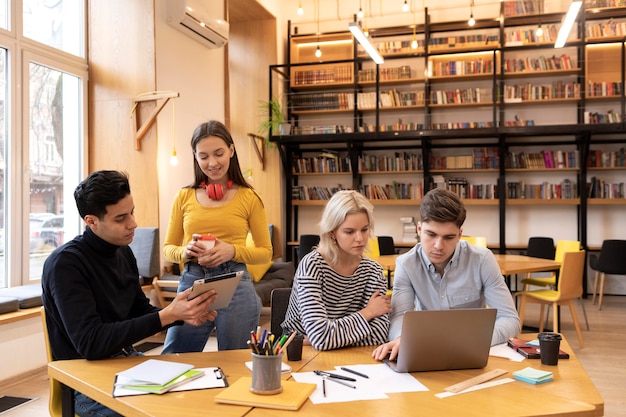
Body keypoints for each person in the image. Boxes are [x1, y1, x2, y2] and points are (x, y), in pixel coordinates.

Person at [42, 170, 218, 417]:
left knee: (195, 401)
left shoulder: (123, 252)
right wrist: (166, 316)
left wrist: (181, 313)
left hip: (126, 364)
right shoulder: (66, 265)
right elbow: (91, 344)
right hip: (83, 382)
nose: (133, 223)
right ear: (91, 221)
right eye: (121, 218)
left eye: (132, 212)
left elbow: (139, 311)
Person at [161, 120, 272, 353]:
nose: (212, 163)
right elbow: (168, 248)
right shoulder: (183, 196)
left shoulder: (250, 197)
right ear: (195, 156)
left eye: (219, 153)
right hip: (193, 281)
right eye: (203, 156)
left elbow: (265, 253)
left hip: (236, 283)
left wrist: (232, 250)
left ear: (231, 150)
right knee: (174, 357)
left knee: (234, 362)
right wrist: (186, 251)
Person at [372, 188, 520, 361]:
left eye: (448, 237)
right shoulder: (406, 265)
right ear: (419, 229)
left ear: (459, 235)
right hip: (426, 351)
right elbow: (399, 316)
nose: (438, 246)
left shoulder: (482, 260)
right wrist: (401, 338)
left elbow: (510, 319)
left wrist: (471, 342)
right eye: (431, 234)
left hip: (471, 354)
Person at [281, 190, 392, 351]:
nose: (360, 238)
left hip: (349, 356)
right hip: (302, 354)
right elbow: (321, 337)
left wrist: (323, 338)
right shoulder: (312, 265)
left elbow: (378, 336)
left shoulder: (373, 271)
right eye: (349, 231)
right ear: (332, 232)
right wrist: (368, 312)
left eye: (364, 229)